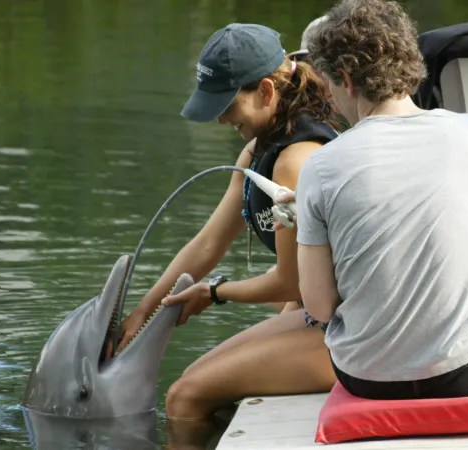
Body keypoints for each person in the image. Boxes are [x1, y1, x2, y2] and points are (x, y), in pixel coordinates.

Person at [280, 0, 468, 401]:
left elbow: (320, 306)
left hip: (364, 379)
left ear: (346, 79)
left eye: (329, 83)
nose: (329, 97)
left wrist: (312, 222)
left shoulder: (321, 168)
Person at [108, 23, 342, 425]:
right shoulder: (258, 151)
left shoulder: (295, 160)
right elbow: (208, 244)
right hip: (321, 311)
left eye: (227, 105)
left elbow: (291, 283)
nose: (220, 120)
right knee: (200, 381)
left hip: (353, 330)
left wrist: (214, 293)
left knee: (183, 397)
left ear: (267, 91)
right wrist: (141, 314)